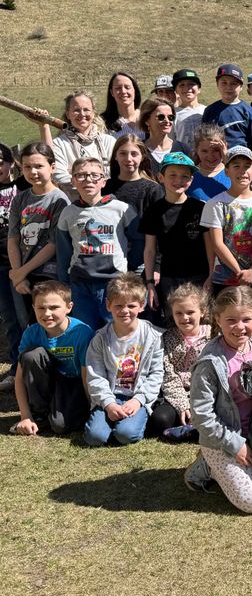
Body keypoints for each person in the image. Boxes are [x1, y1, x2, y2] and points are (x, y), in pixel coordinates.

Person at [185, 285, 252, 513]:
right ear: (218, 319)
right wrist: (236, 445)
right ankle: (207, 465)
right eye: (231, 320)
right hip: (224, 439)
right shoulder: (210, 363)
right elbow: (202, 417)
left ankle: (226, 465)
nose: (240, 327)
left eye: (246, 319)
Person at [83, 273, 164, 446]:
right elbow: (95, 376)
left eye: (131, 306)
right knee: (95, 437)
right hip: (111, 395)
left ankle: (131, 422)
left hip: (137, 396)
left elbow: (156, 374)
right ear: (108, 305)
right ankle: (110, 422)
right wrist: (108, 404)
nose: (124, 311)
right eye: (118, 306)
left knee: (126, 434)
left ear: (141, 306)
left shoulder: (153, 337)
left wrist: (138, 400)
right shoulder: (100, 339)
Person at [56, 156, 135, 330]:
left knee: (115, 329)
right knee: (84, 330)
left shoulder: (121, 209)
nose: (88, 180)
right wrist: (64, 284)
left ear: (103, 181)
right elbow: (63, 252)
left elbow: (140, 243)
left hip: (114, 282)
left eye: (94, 175)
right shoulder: (68, 213)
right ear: (73, 181)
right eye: (81, 176)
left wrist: (132, 273)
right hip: (80, 284)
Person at [10, 280, 94, 436]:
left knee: (60, 426)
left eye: (54, 307)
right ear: (33, 308)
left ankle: (60, 414)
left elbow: (86, 375)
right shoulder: (31, 333)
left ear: (69, 307)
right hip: (48, 383)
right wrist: (25, 416)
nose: (47, 313)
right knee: (31, 355)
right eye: (41, 308)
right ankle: (39, 414)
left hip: (73, 384)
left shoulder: (82, 332)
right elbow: (20, 378)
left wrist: (92, 409)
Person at [7, 142, 69, 330]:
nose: (33, 172)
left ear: (52, 167)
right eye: (27, 167)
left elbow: (53, 244)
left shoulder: (60, 200)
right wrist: (17, 274)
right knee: (31, 325)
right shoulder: (20, 198)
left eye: (38, 166)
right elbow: (13, 238)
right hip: (23, 275)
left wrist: (21, 272)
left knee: (51, 325)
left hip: (48, 274)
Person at [140, 152, 208, 313]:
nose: (179, 180)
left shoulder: (200, 208)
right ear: (161, 177)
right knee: (173, 321)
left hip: (199, 276)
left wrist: (211, 275)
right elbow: (150, 249)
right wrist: (150, 283)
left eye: (185, 176)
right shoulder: (154, 210)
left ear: (191, 180)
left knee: (200, 321)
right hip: (169, 278)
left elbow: (210, 246)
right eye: (172, 175)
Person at [201, 146, 252, 293]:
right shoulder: (215, 203)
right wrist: (240, 272)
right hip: (224, 279)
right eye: (236, 166)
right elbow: (217, 243)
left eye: (247, 166)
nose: (242, 171)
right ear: (226, 171)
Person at [148, 282, 212, 437]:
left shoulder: (213, 337)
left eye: (190, 312)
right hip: (174, 396)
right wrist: (182, 405)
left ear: (202, 312)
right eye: (179, 313)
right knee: (160, 420)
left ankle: (190, 428)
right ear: (172, 313)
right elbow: (168, 376)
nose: (185, 318)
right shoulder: (168, 338)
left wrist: (196, 402)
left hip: (204, 395)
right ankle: (188, 426)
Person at [37, 90, 115, 196]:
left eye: (86, 110)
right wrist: (93, 184)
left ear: (93, 113)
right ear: (68, 114)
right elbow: (58, 175)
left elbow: (115, 173)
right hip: (73, 204)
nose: (82, 114)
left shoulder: (109, 142)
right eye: (76, 110)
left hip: (107, 200)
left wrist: (79, 178)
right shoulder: (59, 144)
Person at [104, 134, 163, 273]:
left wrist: (156, 266)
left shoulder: (153, 189)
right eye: (123, 153)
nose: (128, 159)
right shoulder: (105, 187)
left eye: (134, 154)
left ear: (142, 156)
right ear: (115, 157)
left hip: (142, 263)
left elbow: (160, 229)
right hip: (109, 261)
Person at [201, 64, 252, 154]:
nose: (228, 87)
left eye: (233, 83)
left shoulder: (249, 111)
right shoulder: (210, 111)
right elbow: (204, 140)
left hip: (241, 160)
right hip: (216, 160)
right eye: (224, 83)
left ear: (241, 86)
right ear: (217, 84)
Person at [0, 143, 20, 391]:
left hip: (20, 264)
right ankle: (16, 368)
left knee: (26, 318)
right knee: (10, 320)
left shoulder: (22, 187)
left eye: (2, 160)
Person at [138, 97, 190, 175]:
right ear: (147, 120)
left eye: (171, 117)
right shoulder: (138, 150)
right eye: (161, 117)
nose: (167, 121)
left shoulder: (183, 149)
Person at [187, 123, 230, 202]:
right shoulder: (189, 175)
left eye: (216, 150)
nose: (210, 156)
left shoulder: (234, 174)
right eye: (204, 151)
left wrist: (226, 157)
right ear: (196, 150)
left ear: (224, 147)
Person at [102, 71, 143, 137]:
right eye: (118, 88)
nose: (123, 91)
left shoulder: (147, 117)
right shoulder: (103, 123)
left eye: (127, 87)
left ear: (135, 90)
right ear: (112, 92)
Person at [172, 68, 206, 147]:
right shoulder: (172, 114)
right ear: (176, 91)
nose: (187, 88)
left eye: (191, 84)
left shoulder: (207, 110)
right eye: (182, 85)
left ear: (199, 89)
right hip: (182, 157)